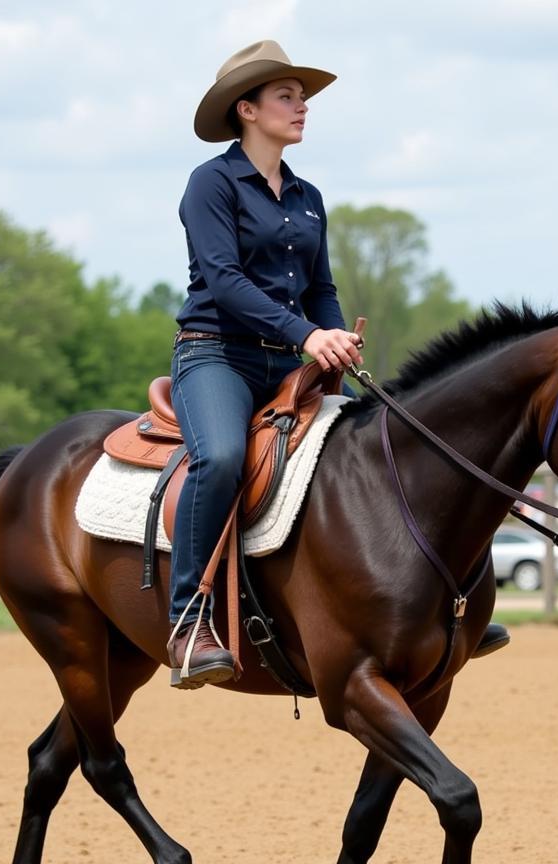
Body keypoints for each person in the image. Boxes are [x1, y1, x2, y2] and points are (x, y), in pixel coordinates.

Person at [169, 40, 508, 687]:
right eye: (286, 96)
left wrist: (333, 335)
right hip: (216, 354)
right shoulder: (210, 184)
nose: (302, 108)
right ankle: (190, 617)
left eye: (302, 98)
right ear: (246, 109)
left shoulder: (306, 195)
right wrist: (307, 334)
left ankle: (453, 605)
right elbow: (225, 280)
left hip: (293, 362)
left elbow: (319, 284)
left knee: (391, 451)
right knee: (217, 460)